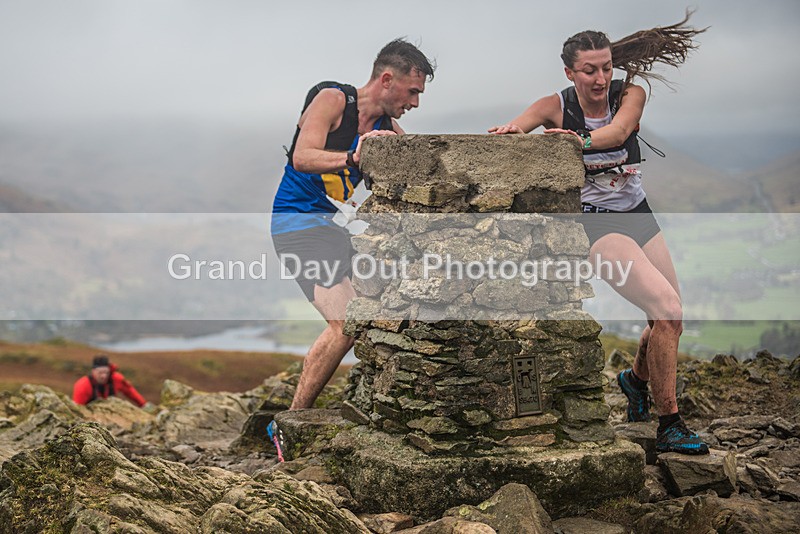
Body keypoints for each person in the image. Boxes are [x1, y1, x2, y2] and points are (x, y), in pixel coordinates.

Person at [489, 13, 709, 455]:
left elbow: (619, 132)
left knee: (671, 319)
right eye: (590, 70)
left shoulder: (631, 93)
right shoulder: (555, 104)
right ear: (570, 72)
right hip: (593, 221)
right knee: (665, 309)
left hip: (638, 212)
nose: (601, 77)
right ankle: (669, 424)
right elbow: (513, 133)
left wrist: (576, 142)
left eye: (606, 67)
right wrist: (512, 134)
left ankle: (634, 380)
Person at [268, 39, 434, 460]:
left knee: (391, 308)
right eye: (412, 91)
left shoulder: (386, 132)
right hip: (298, 223)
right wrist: (354, 157)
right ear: (386, 79)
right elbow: (303, 157)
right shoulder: (332, 99)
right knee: (346, 323)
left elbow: (425, 163)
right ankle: (288, 425)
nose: (415, 102)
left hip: (339, 228)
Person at [72, 354, 153, 410]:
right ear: (93, 371)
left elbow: (131, 392)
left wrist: (144, 405)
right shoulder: (82, 386)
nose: (104, 376)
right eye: (100, 373)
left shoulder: (116, 378)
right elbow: (77, 409)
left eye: (106, 372)